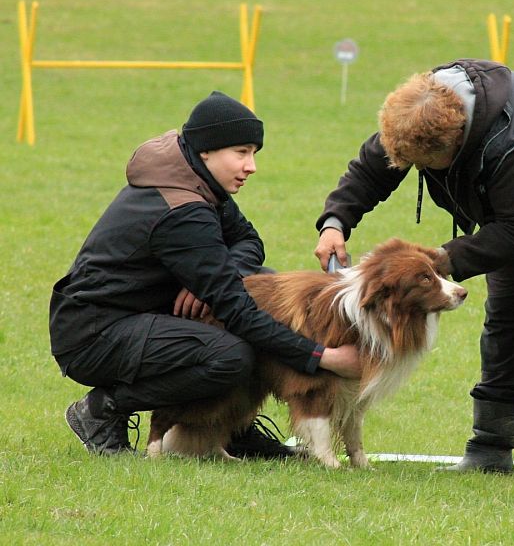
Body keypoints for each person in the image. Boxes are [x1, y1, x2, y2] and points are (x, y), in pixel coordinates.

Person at [314, 59, 514, 483]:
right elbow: (373, 169)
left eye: (427, 163)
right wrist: (336, 221)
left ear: (456, 141)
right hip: (511, 219)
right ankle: (490, 448)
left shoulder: (509, 141)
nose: (419, 170)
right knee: (506, 326)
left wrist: (442, 260)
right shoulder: (415, 117)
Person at [50, 91, 361, 457]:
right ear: (206, 151)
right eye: (241, 152)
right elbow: (240, 313)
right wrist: (322, 357)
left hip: (138, 317)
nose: (251, 166)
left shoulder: (195, 180)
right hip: (95, 333)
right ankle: (103, 409)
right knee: (230, 356)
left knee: (264, 279)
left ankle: (231, 426)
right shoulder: (183, 209)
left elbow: (248, 240)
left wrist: (209, 280)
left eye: (254, 153)